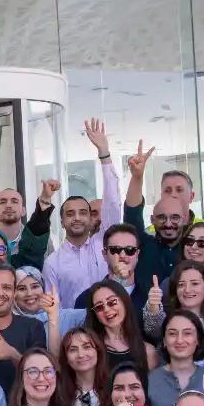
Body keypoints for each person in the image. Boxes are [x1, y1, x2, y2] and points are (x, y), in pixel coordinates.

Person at [41, 119, 122, 310]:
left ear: (91, 218)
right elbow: (55, 312)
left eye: (83, 212)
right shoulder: (53, 263)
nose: (77, 217)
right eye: (70, 214)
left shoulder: (104, 244)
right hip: (75, 328)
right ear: (62, 222)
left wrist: (104, 153)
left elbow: (112, 202)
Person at [73, 224, 160, 338]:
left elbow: (156, 337)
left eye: (130, 250)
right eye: (115, 250)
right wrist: (116, 285)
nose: (123, 255)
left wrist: (153, 312)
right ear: (104, 254)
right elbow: (83, 339)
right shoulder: (87, 298)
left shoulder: (150, 294)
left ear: (137, 254)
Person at [0, 265, 46, 393]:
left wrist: (14, 355)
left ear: (15, 292)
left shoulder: (34, 327)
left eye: (6, 287)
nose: (0, 293)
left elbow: (41, 377)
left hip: (23, 404)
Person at [86, 279, 157, 375]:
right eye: (99, 307)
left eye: (112, 302)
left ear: (124, 301)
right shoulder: (91, 350)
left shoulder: (148, 351)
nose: (106, 309)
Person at [145, 307, 204, 406]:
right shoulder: (149, 380)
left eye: (187, 333)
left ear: (198, 339)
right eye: (172, 334)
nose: (179, 340)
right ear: (164, 341)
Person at [56, 324, 109, 406]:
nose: (80, 354)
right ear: (66, 358)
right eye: (73, 350)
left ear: (98, 351)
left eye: (87, 347)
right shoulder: (59, 393)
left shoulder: (114, 387)